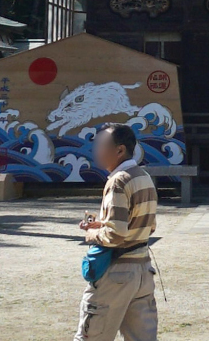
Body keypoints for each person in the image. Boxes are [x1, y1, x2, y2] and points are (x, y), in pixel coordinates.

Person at [74, 124, 159, 340]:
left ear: (119, 150)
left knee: (92, 336)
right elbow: (149, 225)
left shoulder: (117, 181)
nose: (95, 150)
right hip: (143, 272)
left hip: (116, 274)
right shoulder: (144, 177)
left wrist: (90, 234)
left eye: (101, 145)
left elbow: (115, 235)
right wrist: (103, 223)